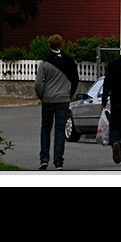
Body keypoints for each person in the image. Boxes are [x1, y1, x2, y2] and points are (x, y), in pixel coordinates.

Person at [35, 34, 80, 170]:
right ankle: (58, 161)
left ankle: (44, 159)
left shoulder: (44, 62)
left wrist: (41, 96)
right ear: (61, 44)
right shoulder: (69, 61)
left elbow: (38, 83)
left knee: (45, 129)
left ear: (49, 45)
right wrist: (69, 94)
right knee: (60, 130)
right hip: (63, 99)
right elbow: (75, 79)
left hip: (48, 99)